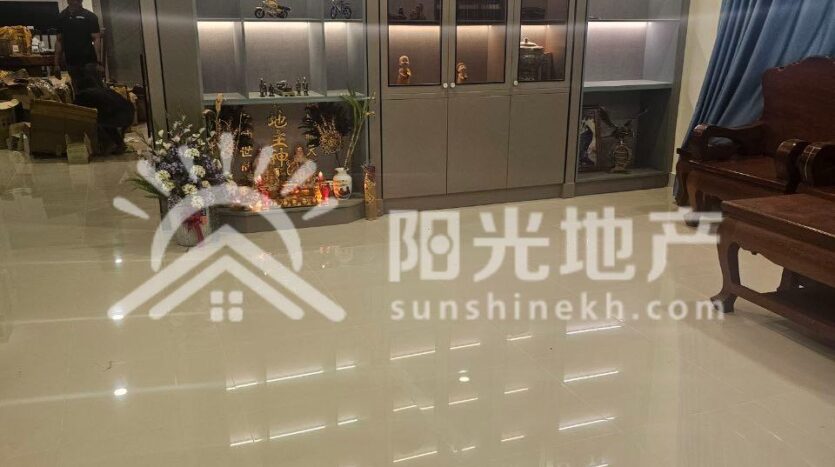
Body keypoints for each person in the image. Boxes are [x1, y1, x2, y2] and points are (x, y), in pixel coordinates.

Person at [73, 76, 134, 155]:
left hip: (119, 116)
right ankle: (119, 144)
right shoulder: (101, 90)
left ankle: (106, 146)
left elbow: (75, 109)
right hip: (129, 114)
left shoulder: (83, 95)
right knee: (104, 120)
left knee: (98, 122)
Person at [54, 0, 104, 91]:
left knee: (96, 90)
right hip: (71, 62)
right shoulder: (61, 17)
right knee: (79, 91)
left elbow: (96, 39)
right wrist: (56, 64)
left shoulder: (90, 16)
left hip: (89, 61)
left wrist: (99, 62)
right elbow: (59, 40)